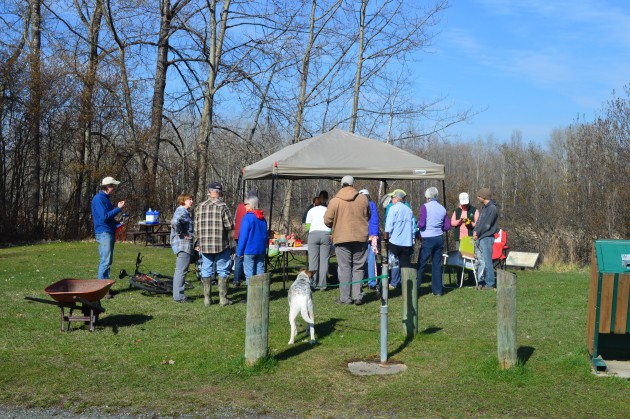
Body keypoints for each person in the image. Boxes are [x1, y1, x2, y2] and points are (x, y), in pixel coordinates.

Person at [324, 175, 370, 305]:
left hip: (342, 237)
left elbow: (327, 220)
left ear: (341, 185)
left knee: (344, 268)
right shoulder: (363, 199)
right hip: (360, 237)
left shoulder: (335, 201)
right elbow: (368, 216)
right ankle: (358, 296)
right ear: (353, 185)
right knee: (359, 267)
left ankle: (345, 298)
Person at [195, 181, 235, 306]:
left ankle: (207, 299)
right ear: (219, 193)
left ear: (209, 191)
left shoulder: (199, 206)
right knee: (223, 270)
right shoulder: (223, 206)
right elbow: (229, 226)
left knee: (206, 269)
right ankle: (223, 299)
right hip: (220, 244)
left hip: (205, 244)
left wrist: (196, 242)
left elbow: (196, 227)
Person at [91, 176, 125, 298]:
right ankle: (102, 290)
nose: (114, 188)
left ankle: (106, 288)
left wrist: (117, 222)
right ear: (107, 187)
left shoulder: (105, 199)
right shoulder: (98, 199)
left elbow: (109, 217)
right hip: (104, 232)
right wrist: (118, 208)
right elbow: (104, 217)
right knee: (105, 261)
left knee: (107, 261)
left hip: (109, 231)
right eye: (113, 186)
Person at [416, 186, 451, 296]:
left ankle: (416, 288)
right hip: (438, 238)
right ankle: (438, 290)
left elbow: (422, 224)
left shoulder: (425, 207)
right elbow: (447, 226)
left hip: (427, 238)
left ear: (427, 197)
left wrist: (417, 226)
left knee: (422, 263)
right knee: (436, 264)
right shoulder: (442, 208)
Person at [383, 190, 414, 290]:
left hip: (394, 241)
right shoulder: (409, 210)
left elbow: (388, 226)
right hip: (406, 242)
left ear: (396, 198)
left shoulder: (393, 209)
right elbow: (413, 226)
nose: (391, 199)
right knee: (405, 265)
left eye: (392, 198)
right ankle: (406, 284)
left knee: (394, 263)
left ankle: (394, 283)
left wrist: (386, 239)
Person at [236, 195, 268, 285]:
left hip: (249, 250)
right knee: (260, 273)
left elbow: (243, 236)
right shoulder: (262, 218)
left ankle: (251, 297)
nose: (244, 206)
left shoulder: (247, 218)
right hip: (260, 250)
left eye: (246, 204)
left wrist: (240, 252)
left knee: (249, 275)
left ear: (250, 205)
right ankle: (261, 295)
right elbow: (265, 235)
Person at [473, 187, 499, 291]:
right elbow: (479, 221)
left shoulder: (492, 208)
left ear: (483, 196)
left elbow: (487, 225)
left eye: (479, 196)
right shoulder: (484, 208)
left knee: (488, 261)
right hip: (480, 237)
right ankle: (481, 282)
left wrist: (478, 233)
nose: (477, 197)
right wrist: (475, 230)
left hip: (487, 237)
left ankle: (490, 284)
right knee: (481, 261)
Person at [170, 194, 195, 303]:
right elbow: (175, 222)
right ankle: (178, 296)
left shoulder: (184, 212)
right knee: (181, 271)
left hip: (184, 244)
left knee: (181, 270)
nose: (192, 201)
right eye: (189, 199)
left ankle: (178, 295)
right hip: (183, 244)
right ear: (183, 201)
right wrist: (181, 233)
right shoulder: (181, 210)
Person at [305, 196, 332, 290]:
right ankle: (323, 285)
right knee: (324, 260)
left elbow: (308, 226)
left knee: (313, 260)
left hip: (313, 234)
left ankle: (313, 283)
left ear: (315, 203)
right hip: (326, 234)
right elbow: (331, 223)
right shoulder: (327, 209)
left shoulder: (311, 211)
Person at [233, 190, 258, 287]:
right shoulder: (254, 211)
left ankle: (237, 279)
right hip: (248, 236)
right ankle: (251, 279)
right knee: (245, 257)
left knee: (239, 257)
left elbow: (235, 218)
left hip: (238, 234)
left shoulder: (239, 207)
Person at [359, 189, 379, 289]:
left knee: (360, 260)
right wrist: (374, 234)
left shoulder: (359, 205)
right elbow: (374, 220)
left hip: (363, 236)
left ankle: (362, 281)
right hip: (369, 235)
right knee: (370, 260)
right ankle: (371, 282)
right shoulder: (372, 205)